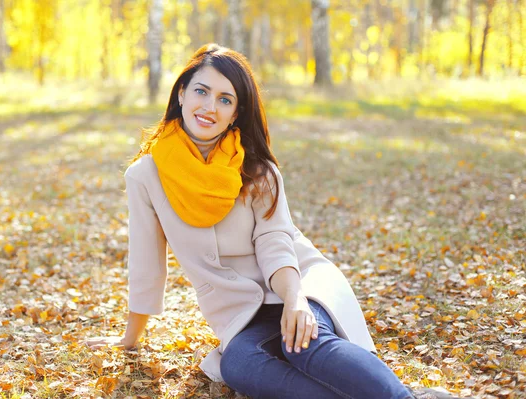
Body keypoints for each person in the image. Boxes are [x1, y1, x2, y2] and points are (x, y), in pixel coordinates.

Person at [86, 44, 463, 399]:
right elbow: (146, 262)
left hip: (298, 281)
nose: (209, 107)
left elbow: (274, 241)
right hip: (240, 315)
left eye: (225, 99)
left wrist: (295, 300)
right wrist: (130, 338)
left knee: (302, 343)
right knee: (239, 365)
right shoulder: (145, 176)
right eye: (201, 91)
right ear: (181, 93)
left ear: (236, 113)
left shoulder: (256, 170)